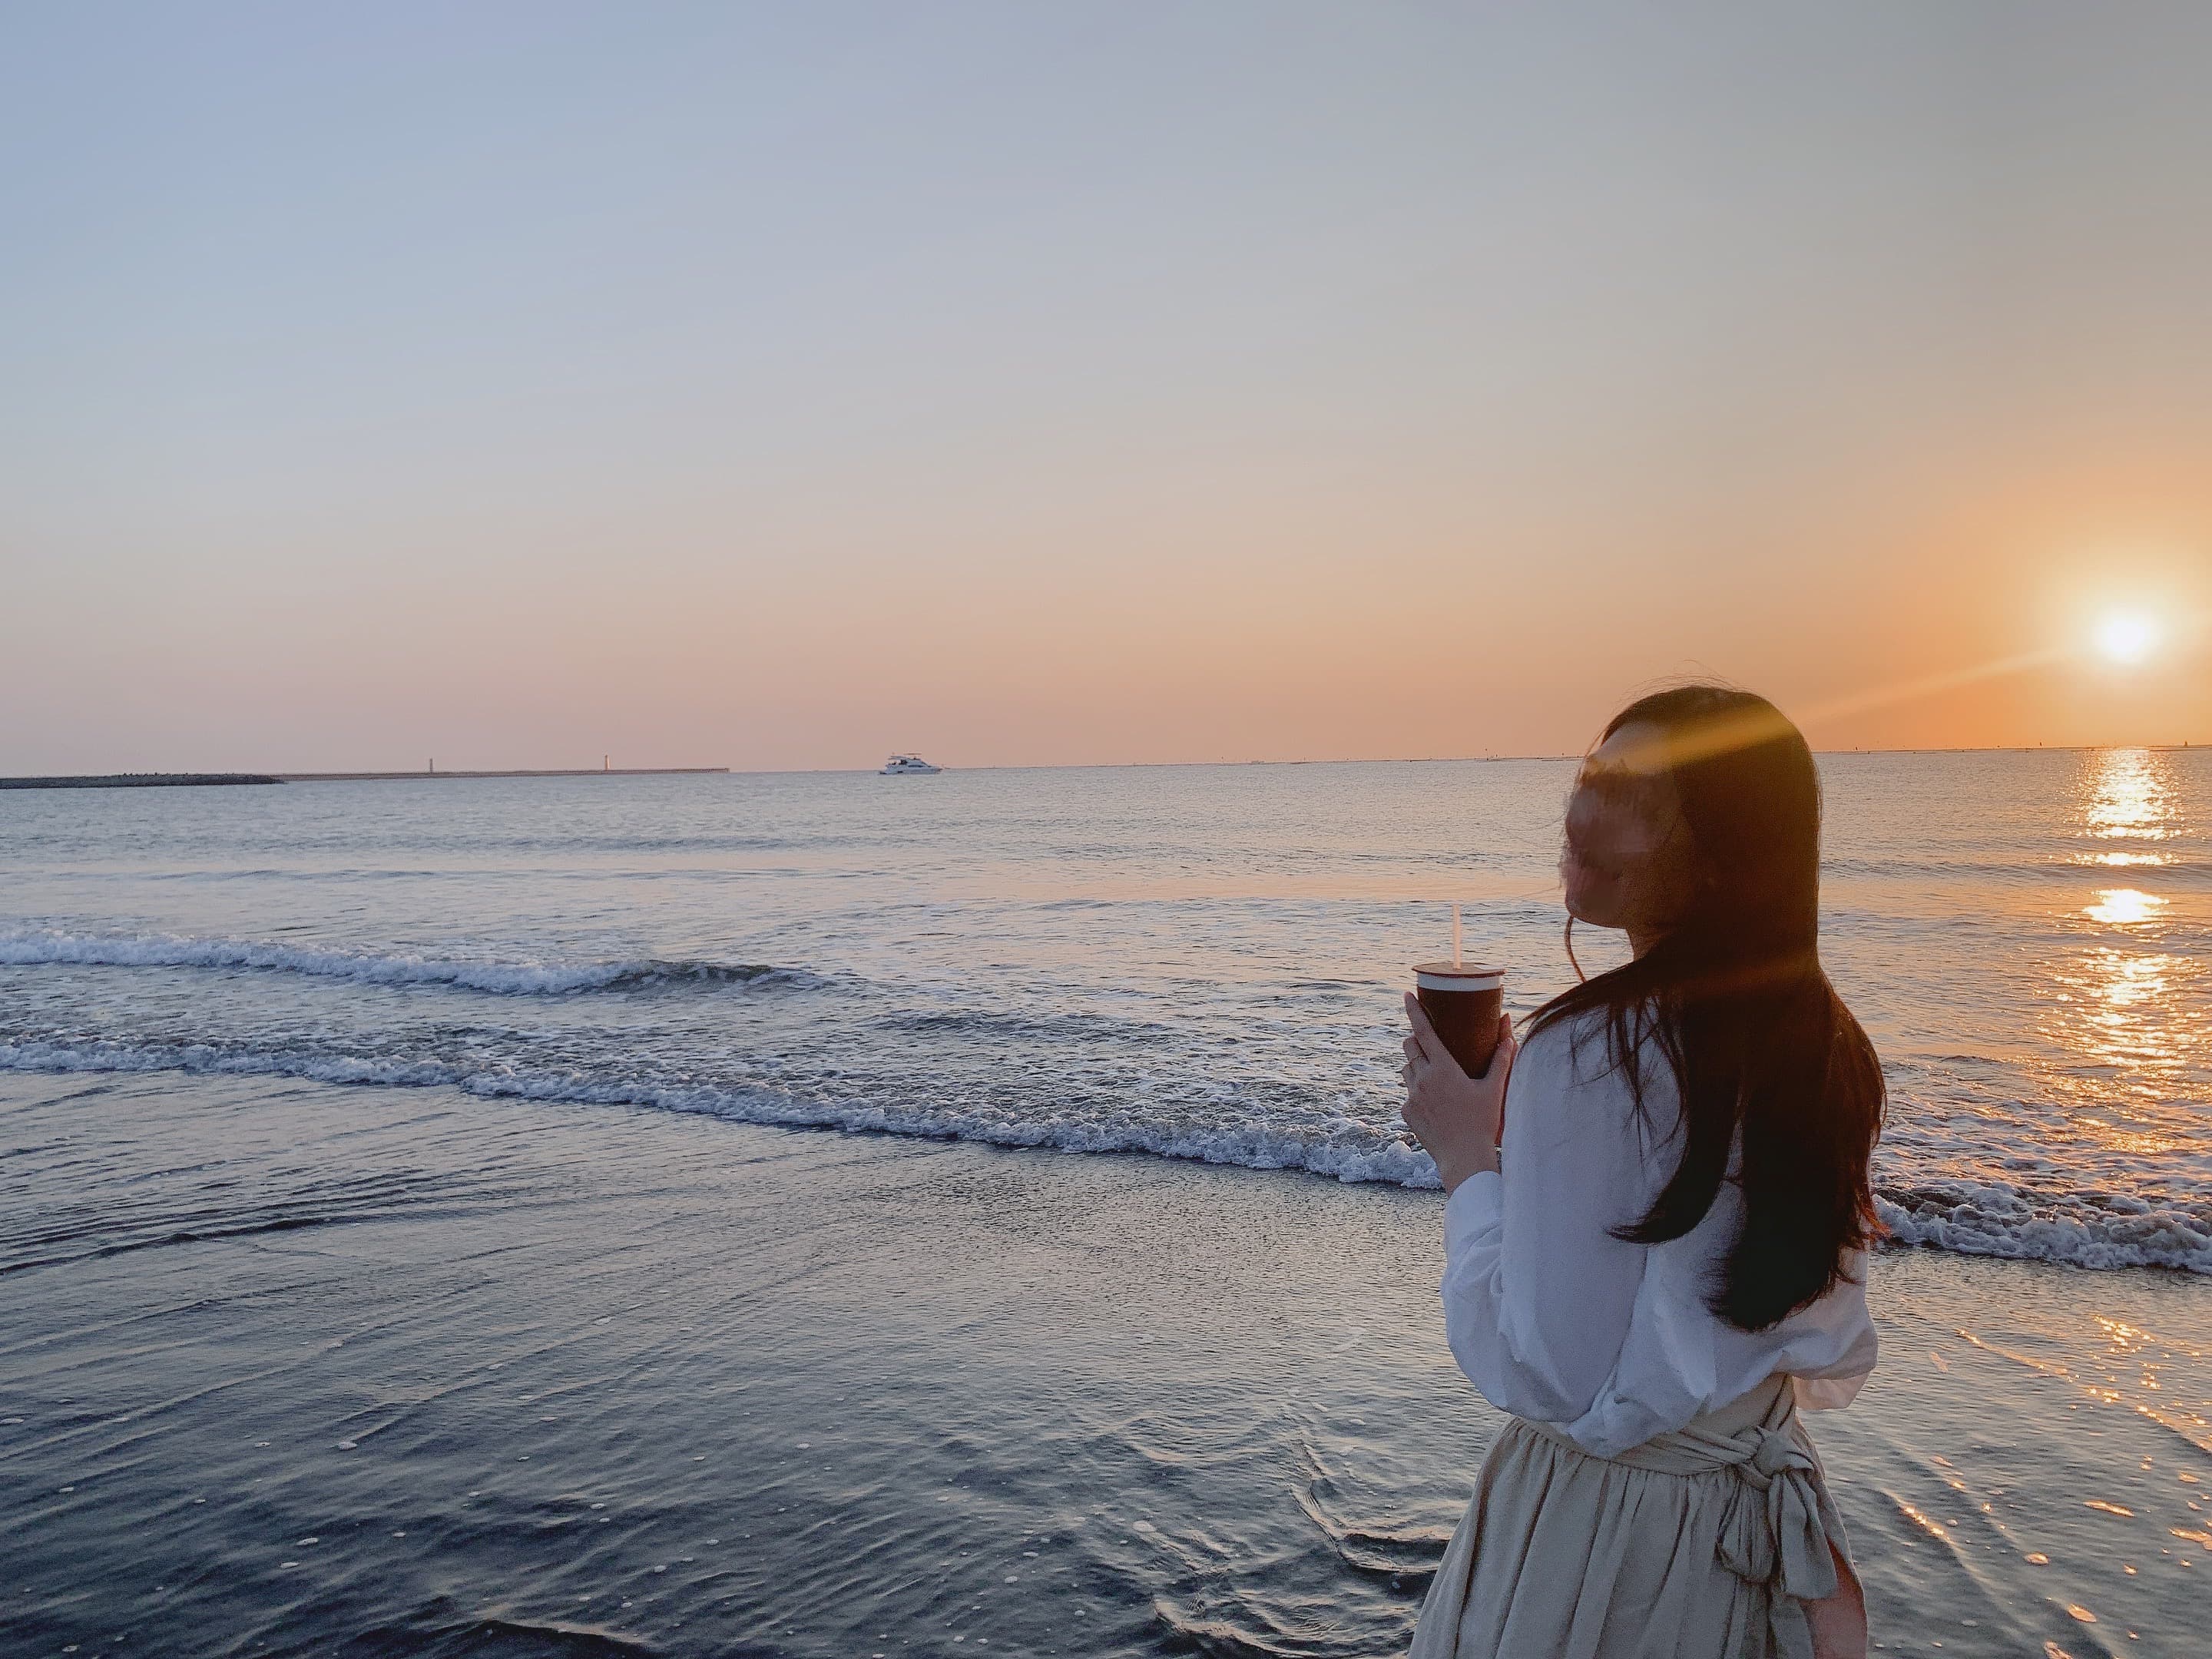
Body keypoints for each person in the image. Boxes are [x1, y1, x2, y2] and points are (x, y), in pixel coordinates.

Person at [1399, 685, 1883, 1659]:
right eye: (1589, 774)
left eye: (1628, 791)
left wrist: (1467, 1162)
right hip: (1750, 1512)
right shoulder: (1825, 1038)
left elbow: (1545, 1371)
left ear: (1721, 855)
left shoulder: (1588, 1049)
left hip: (1607, 1538)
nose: (1580, 812)